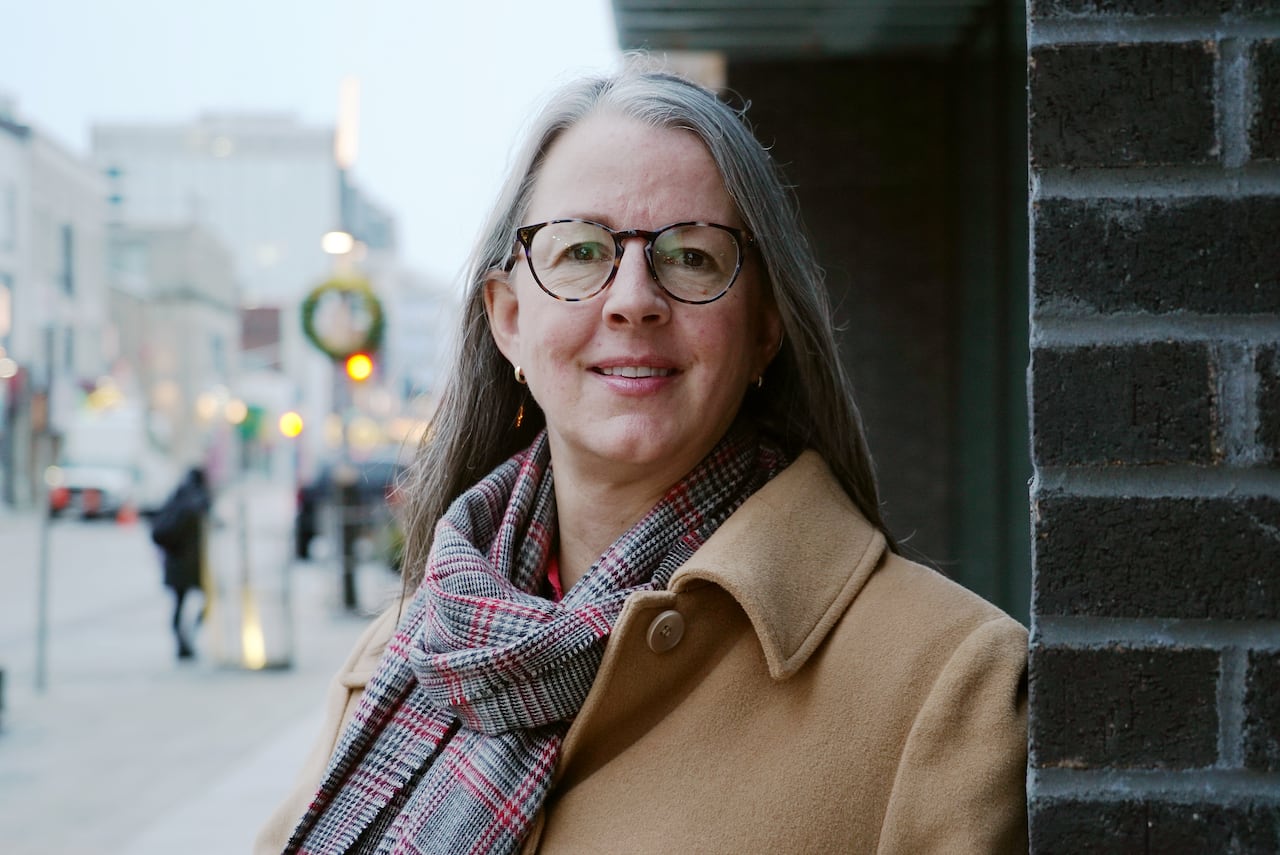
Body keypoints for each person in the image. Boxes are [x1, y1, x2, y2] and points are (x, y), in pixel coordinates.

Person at [257, 61, 1028, 854]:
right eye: (582, 251)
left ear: (766, 325)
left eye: (692, 255)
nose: (632, 298)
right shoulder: (400, 654)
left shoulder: (947, 685)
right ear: (509, 319)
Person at [150, 467, 211, 660]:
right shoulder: (196, 502)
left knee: (180, 604)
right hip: (191, 565)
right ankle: (187, 640)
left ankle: (184, 642)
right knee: (203, 602)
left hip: (176, 563)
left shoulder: (177, 497)